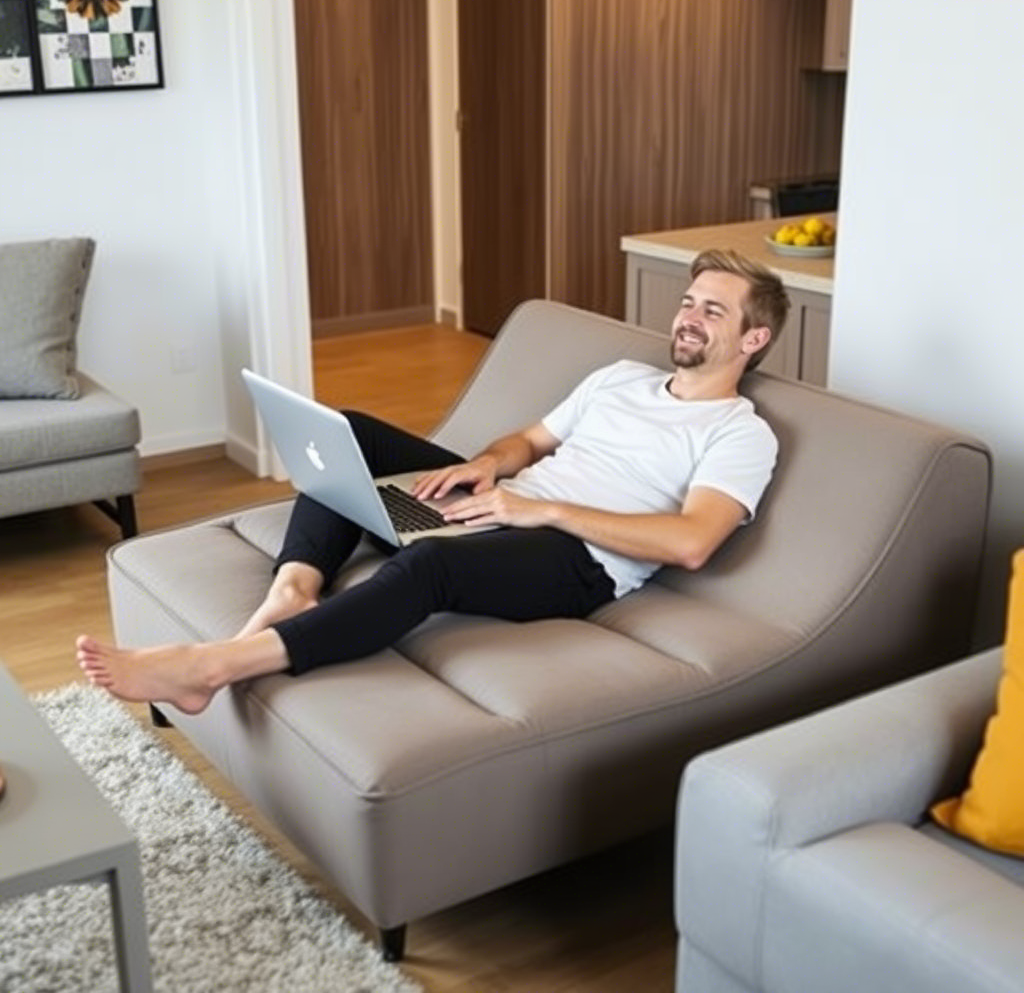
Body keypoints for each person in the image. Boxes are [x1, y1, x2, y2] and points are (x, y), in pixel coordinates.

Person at [76, 248, 789, 714]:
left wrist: (546, 512)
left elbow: (694, 542)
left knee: (432, 561)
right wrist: (488, 465)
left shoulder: (739, 432)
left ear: (753, 339)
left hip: (578, 562)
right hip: (508, 508)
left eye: (712, 311)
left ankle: (211, 666)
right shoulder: (624, 377)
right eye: (689, 302)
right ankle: (294, 587)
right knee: (349, 432)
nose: (688, 319)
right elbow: (531, 440)